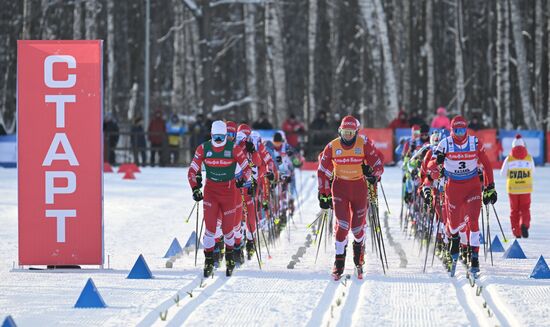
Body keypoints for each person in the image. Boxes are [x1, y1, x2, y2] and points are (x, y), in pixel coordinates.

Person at [428, 115, 496, 278]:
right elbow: (431, 166)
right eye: (457, 130)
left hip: (472, 186)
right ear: (452, 131)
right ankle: (455, 240)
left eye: (463, 130)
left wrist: (490, 186)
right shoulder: (445, 144)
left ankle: (474, 258)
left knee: (473, 220)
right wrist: (437, 165)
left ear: (466, 129)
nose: (460, 134)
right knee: (454, 225)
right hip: (453, 188)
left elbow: (486, 164)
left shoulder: (474, 142)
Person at [317, 115, 384, 280]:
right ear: (340, 131)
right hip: (340, 188)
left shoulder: (364, 143)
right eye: (345, 132)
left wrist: (372, 174)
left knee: (356, 228)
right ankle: (339, 262)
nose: (348, 135)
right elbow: (322, 171)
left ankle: (359, 255)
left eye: (351, 132)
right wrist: (323, 193)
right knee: (343, 225)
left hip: (359, 188)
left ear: (356, 132)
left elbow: (378, 165)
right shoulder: (332, 146)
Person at [188, 120, 252, 277]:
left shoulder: (234, 149)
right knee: (210, 229)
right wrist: (195, 187)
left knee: (227, 230)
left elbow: (247, 168)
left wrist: (243, 179)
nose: (218, 142)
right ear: (211, 135)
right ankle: (209, 260)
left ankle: (230, 257)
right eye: (215, 138)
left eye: (221, 138)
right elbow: (192, 170)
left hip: (229, 193)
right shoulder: (203, 148)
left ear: (226, 136)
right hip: (211, 192)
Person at [500, 134, 534, 238]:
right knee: (525, 209)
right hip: (526, 188)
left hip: (513, 189)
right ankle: (524, 224)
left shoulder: (509, 158)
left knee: (514, 210)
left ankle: (516, 231)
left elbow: (502, 173)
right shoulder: (529, 158)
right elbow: (533, 172)